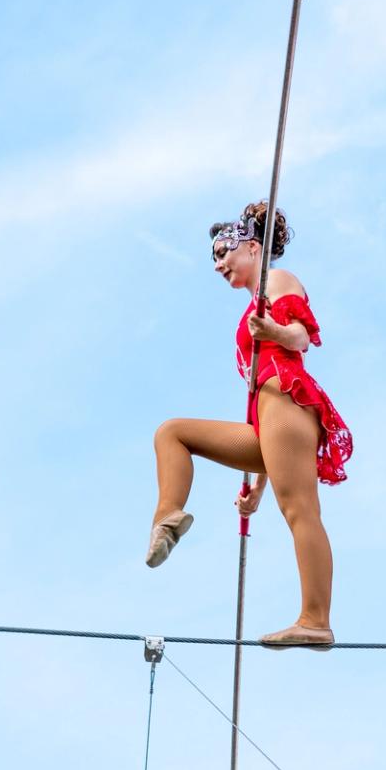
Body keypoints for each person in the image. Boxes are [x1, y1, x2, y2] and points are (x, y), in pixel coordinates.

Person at [149, 201, 352, 649]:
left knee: (300, 510)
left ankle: (316, 619)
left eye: (225, 251)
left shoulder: (276, 280)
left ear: (253, 248)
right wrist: (256, 487)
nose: (219, 263)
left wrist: (274, 333)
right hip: (269, 419)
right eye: (215, 257)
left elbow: (301, 336)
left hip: (287, 400)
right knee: (173, 432)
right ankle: (168, 519)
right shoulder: (251, 308)